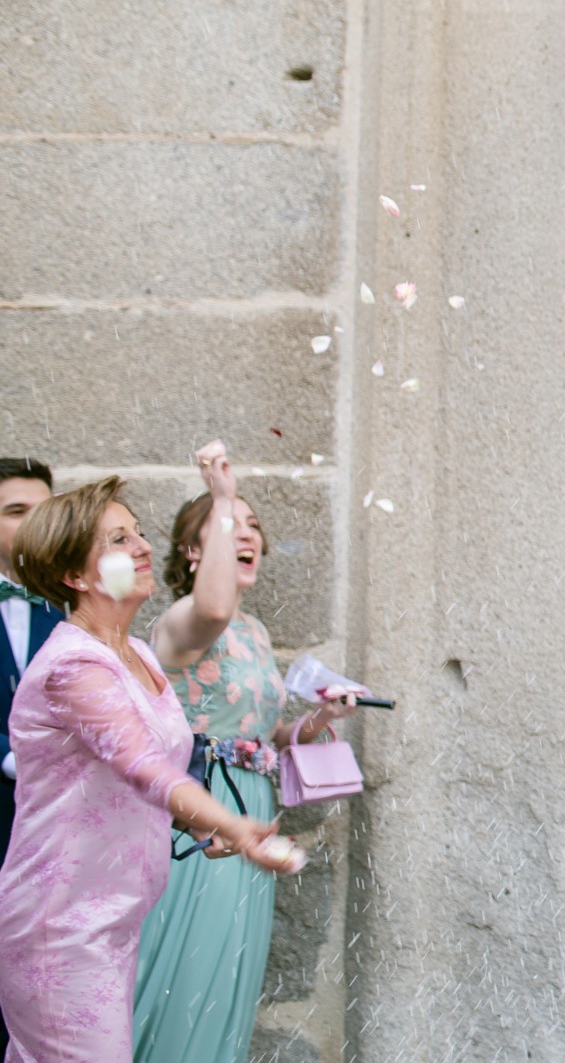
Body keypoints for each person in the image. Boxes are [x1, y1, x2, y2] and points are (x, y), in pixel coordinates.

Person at [0, 478, 298, 1062]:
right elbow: (141, 765)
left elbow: (138, 768)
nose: (141, 546)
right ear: (76, 577)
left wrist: (195, 827)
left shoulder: (133, 653)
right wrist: (233, 825)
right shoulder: (73, 665)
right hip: (62, 926)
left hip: (115, 917)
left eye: (137, 531)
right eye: (118, 539)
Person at [133, 442, 358, 1063]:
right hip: (200, 816)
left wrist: (320, 718)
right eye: (231, 526)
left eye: (255, 526)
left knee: (226, 985)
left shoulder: (255, 633)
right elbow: (213, 604)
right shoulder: (180, 620)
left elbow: (264, 735)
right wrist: (222, 495)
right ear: (192, 551)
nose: (247, 533)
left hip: (253, 810)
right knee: (182, 975)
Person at [0, 459, 60, 861]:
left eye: (45, 512)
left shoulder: (76, 605)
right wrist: (14, 759)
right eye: (17, 512)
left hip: (54, 831)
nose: (36, 524)